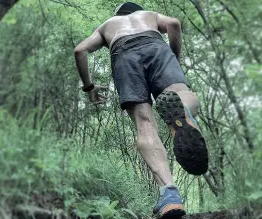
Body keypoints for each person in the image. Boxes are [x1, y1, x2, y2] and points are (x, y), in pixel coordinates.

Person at [74, 2, 208, 218]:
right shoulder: (149, 15)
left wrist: (89, 87)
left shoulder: (108, 24)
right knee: (183, 96)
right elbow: (174, 24)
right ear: (136, 11)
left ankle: (170, 195)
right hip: (158, 48)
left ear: (118, 14)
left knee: (144, 124)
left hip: (124, 56)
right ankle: (183, 110)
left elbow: (79, 50)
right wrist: (174, 60)